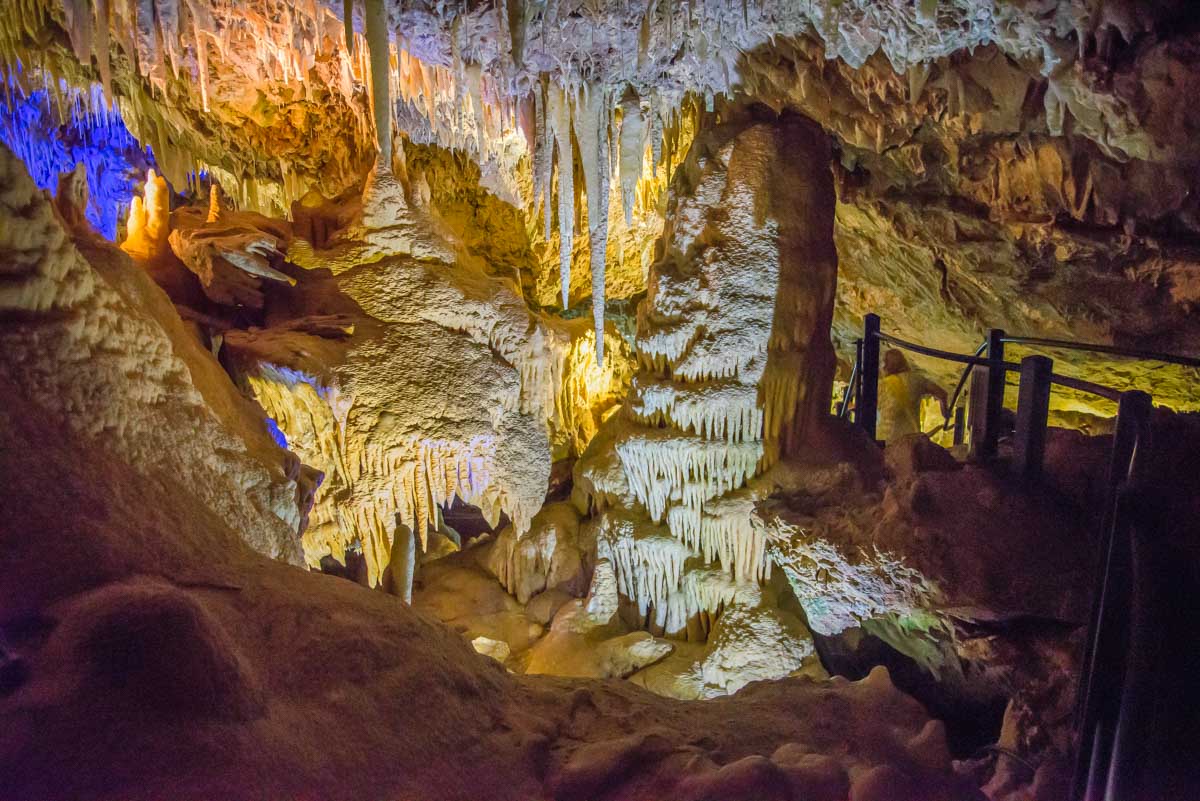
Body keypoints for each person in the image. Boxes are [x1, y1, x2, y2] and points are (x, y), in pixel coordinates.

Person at [877, 348, 949, 442]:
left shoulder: (883, 385)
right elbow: (942, 393)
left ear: (886, 365)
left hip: (887, 440)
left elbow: (867, 406)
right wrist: (944, 411)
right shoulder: (917, 379)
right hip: (912, 441)